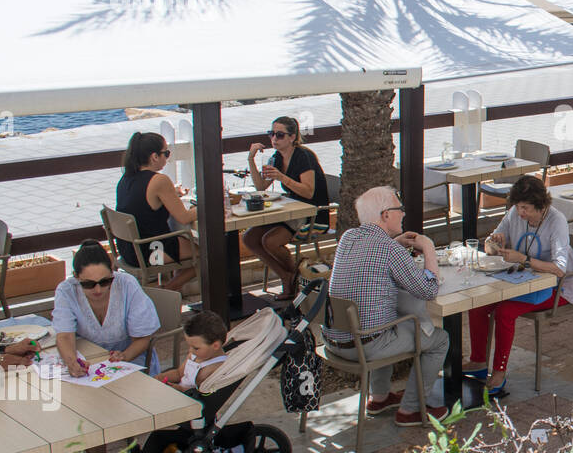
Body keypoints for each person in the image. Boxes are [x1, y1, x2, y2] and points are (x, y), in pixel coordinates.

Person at [53, 240, 161, 453]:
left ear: (113, 272)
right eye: (89, 284)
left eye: (105, 281)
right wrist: (70, 361)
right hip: (92, 365)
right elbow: (64, 334)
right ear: (76, 278)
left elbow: (144, 338)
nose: (98, 289)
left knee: (86, 411)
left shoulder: (127, 285)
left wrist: (123, 356)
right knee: (75, 408)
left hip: (132, 363)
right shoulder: (66, 291)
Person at [327, 185, 449, 426]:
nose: (403, 214)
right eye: (399, 209)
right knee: (439, 338)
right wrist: (428, 248)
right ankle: (412, 410)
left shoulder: (348, 238)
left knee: (384, 319)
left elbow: (374, 262)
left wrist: (396, 242)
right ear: (385, 215)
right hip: (365, 346)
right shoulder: (390, 249)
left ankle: (380, 397)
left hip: (335, 340)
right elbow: (428, 289)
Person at [473, 175, 573, 393]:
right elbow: (489, 245)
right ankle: (477, 362)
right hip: (521, 281)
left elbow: (559, 268)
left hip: (557, 287)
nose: (520, 213)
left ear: (540, 205)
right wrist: (493, 244)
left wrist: (522, 259)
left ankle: (499, 371)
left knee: (505, 312)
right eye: (517, 207)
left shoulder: (556, 220)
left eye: (525, 208)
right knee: (478, 304)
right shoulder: (515, 213)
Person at [245, 116, 330, 300]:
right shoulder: (276, 157)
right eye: (272, 134)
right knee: (249, 238)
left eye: (280, 135)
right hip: (291, 210)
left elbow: (308, 192)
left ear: (292, 137)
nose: (274, 139)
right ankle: (287, 276)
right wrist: (251, 159)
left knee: (270, 241)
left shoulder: (303, 156)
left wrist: (281, 177)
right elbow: (261, 187)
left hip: (312, 214)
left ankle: (294, 280)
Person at [115, 132, 198, 292]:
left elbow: (144, 200)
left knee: (184, 246)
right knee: (208, 252)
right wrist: (209, 205)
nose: (167, 158)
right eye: (166, 153)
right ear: (154, 156)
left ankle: (171, 292)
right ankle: (167, 291)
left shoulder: (125, 179)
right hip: (152, 252)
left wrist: (172, 193)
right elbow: (184, 216)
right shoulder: (159, 180)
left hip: (129, 251)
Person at [160, 312, 227, 393]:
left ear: (215, 346)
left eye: (195, 348)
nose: (190, 351)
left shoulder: (216, 368)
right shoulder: (195, 355)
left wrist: (180, 390)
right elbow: (178, 373)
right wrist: (160, 378)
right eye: (189, 346)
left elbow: (202, 395)